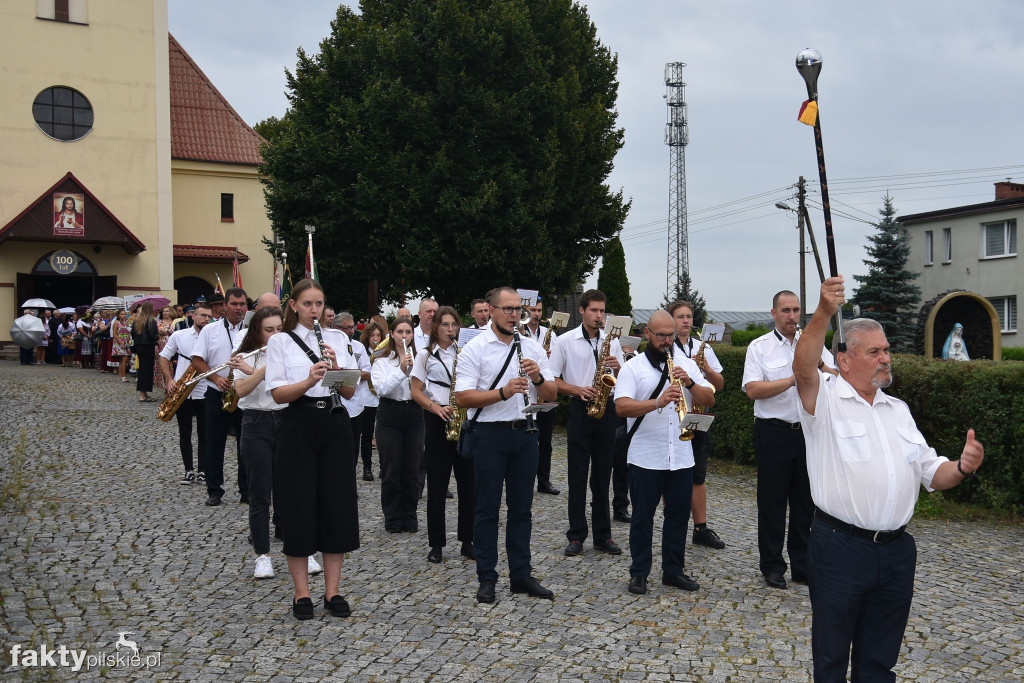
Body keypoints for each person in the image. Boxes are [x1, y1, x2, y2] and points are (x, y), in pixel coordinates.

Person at [794, 276, 984, 681]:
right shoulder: (823, 400)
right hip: (840, 550)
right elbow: (803, 365)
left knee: (880, 660)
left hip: (896, 553)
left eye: (887, 350)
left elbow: (932, 471)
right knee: (830, 658)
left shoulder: (897, 409)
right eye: (875, 351)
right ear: (845, 360)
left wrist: (963, 466)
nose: (886, 358)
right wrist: (824, 313)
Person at [454, 286, 557, 604]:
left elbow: (552, 394)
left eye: (519, 310)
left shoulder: (531, 347)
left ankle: (521, 576)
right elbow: (462, 397)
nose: (516, 315)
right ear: (492, 310)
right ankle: (487, 577)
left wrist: (538, 378)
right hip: (489, 435)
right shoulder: (476, 347)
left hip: (526, 434)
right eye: (509, 309)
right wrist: (502, 392)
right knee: (486, 510)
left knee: (522, 510)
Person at [265, 278, 359, 620]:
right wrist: (309, 378)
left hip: (335, 424)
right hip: (298, 425)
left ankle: (333, 591)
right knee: (299, 506)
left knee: (337, 506)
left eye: (319, 303)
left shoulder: (338, 338)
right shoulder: (279, 342)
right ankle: (301, 593)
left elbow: (348, 393)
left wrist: (335, 370)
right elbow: (277, 394)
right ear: (293, 305)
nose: (314, 310)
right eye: (307, 304)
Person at [615, 310, 715, 595]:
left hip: (681, 455)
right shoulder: (633, 368)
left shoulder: (685, 364)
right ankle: (639, 573)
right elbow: (621, 407)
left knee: (678, 516)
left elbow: (709, 398)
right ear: (647, 333)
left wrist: (691, 384)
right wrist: (656, 402)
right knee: (642, 517)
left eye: (671, 335)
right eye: (661, 335)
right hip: (645, 454)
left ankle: (673, 571)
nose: (667, 341)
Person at [741, 290, 835, 590]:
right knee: (772, 502)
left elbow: (835, 377)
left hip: (808, 431)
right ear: (773, 313)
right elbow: (753, 390)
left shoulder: (814, 345)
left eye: (796, 310)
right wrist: (796, 377)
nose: (792, 316)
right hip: (773, 431)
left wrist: (820, 367)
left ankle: (802, 565)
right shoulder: (760, 347)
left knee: (806, 502)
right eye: (785, 310)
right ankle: (771, 565)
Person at [548, 289, 625, 557]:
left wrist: (617, 367)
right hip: (581, 409)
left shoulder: (612, 342)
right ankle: (577, 535)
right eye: (594, 310)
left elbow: (626, 380)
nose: (599, 316)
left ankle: (603, 536)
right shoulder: (565, 341)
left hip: (607, 409)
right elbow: (552, 380)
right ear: (582, 311)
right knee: (578, 474)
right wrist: (576, 390)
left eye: (602, 311)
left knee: (604, 475)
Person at [411, 306, 476, 564]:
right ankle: (436, 544)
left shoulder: (466, 353)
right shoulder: (426, 356)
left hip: (463, 418)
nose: (450, 330)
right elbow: (416, 390)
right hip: (438, 418)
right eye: (445, 325)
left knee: (468, 484)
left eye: (454, 325)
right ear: (435, 327)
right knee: (437, 485)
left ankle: (468, 541)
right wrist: (434, 407)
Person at [228, 306, 286, 579]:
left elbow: (291, 386)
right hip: (256, 423)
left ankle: (303, 550)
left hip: (286, 421)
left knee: (291, 492)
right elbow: (241, 390)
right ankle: (262, 556)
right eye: (269, 330)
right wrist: (260, 370)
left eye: (279, 329)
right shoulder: (244, 354)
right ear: (257, 331)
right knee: (260, 495)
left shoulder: (289, 352)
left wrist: (254, 370)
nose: (275, 334)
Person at [668, 300, 727, 550]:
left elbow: (719, 384)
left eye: (689, 316)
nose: (685, 321)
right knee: (671, 474)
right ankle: (674, 522)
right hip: (672, 417)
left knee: (698, 475)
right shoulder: (665, 346)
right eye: (680, 316)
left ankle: (700, 528)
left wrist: (705, 368)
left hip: (696, 414)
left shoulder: (702, 347)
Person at [191, 287, 248, 507]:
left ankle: (246, 490)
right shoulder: (210, 330)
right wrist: (216, 379)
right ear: (225, 305)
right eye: (234, 304)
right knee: (214, 443)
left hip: (244, 394)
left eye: (242, 304)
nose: (238, 308)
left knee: (246, 444)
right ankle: (214, 490)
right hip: (217, 393)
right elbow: (197, 360)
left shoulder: (252, 331)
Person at [370, 317, 424, 533]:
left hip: (414, 413)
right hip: (389, 414)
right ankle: (392, 517)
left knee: (412, 469)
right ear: (391, 334)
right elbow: (382, 389)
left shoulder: (421, 359)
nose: (404, 336)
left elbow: (425, 389)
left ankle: (410, 516)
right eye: (400, 332)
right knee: (391, 468)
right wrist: (401, 370)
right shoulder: (381, 361)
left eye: (408, 332)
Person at [160, 303, 213, 485]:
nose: (207, 319)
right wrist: (169, 379)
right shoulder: (179, 335)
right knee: (185, 432)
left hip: (205, 390)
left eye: (209, 316)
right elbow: (163, 356)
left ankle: (204, 470)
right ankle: (188, 470)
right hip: (183, 390)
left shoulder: (212, 336)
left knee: (204, 434)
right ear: (193, 317)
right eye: (203, 316)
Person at [521, 299, 559, 496]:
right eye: (532, 310)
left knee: (546, 441)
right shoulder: (518, 331)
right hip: (526, 393)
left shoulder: (549, 334)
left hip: (544, 389)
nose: (536, 314)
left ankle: (544, 480)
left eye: (539, 310)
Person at [334, 312, 368, 464]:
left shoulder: (358, 346)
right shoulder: (330, 346)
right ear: (336, 328)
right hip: (334, 404)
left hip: (354, 403)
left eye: (352, 327)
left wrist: (346, 374)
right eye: (347, 328)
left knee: (353, 444)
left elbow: (367, 372)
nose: (352, 331)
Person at [358, 320, 386, 480]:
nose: (375, 338)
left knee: (382, 435)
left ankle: (384, 466)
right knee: (367, 434)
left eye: (378, 335)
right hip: (367, 397)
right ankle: (367, 467)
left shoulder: (385, 352)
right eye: (372, 335)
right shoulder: (364, 352)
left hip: (381, 396)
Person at [131, 302, 159, 402]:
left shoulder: (137, 320)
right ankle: (143, 395)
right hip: (148, 347)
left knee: (142, 370)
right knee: (147, 371)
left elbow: (133, 334)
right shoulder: (151, 321)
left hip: (139, 347)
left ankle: (143, 393)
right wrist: (158, 335)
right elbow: (153, 335)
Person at [154, 307, 175, 390]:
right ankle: (165, 387)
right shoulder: (159, 323)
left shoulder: (175, 322)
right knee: (163, 366)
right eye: (164, 311)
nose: (165, 313)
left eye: (167, 311)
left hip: (172, 346)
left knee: (172, 367)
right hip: (161, 346)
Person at [112, 311, 133, 378]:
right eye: (122, 314)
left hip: (125, 341)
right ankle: (123, 376)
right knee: (124, 358)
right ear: (118, 315)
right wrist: (120, 343)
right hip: (119, 341)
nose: (123, 315)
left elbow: (127, 332)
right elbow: (114, 334)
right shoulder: (116, 323)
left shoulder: (125, 323)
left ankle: (120, 375)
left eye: (125, 314)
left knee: (122, 359)